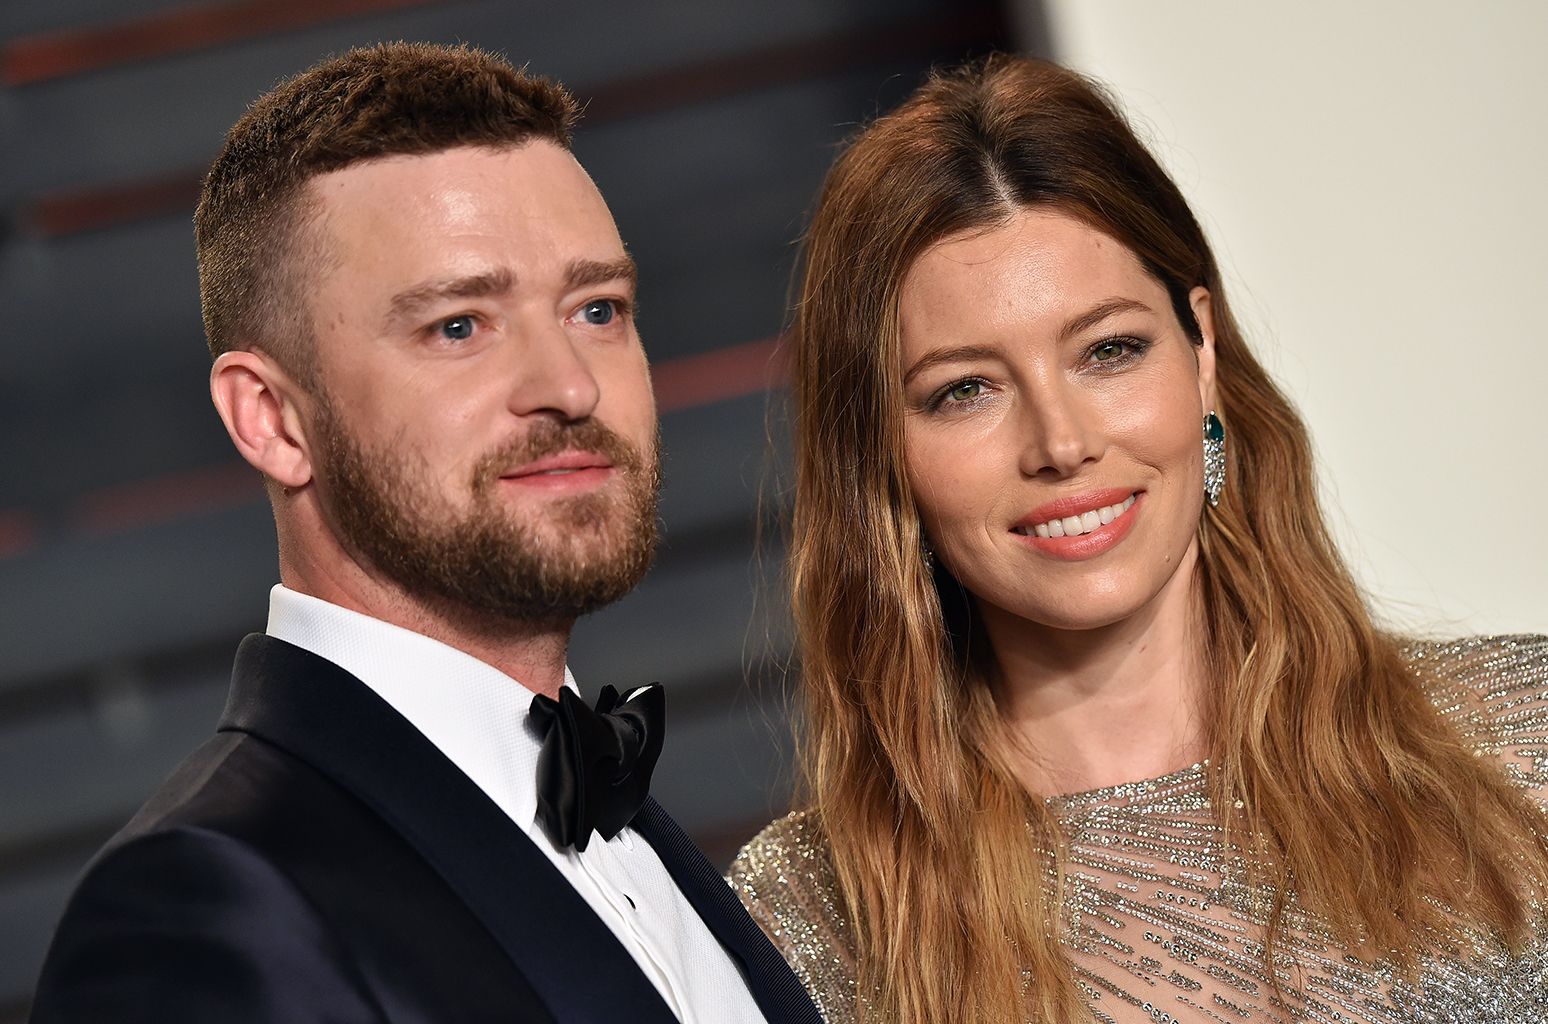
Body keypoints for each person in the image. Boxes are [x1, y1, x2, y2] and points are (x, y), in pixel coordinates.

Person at [730, 54, 1548, 1024]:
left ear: (1200, 353)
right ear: (879, 450)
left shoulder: (1520, 739)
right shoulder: (810, 917)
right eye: (965, 389)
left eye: (1108, 349)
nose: (1063, 442)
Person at [31, 42, 819, 1024]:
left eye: (597, 308)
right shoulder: (196, 908)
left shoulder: (642, 833)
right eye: (459, 326)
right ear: (271, 420)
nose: (570, 385)